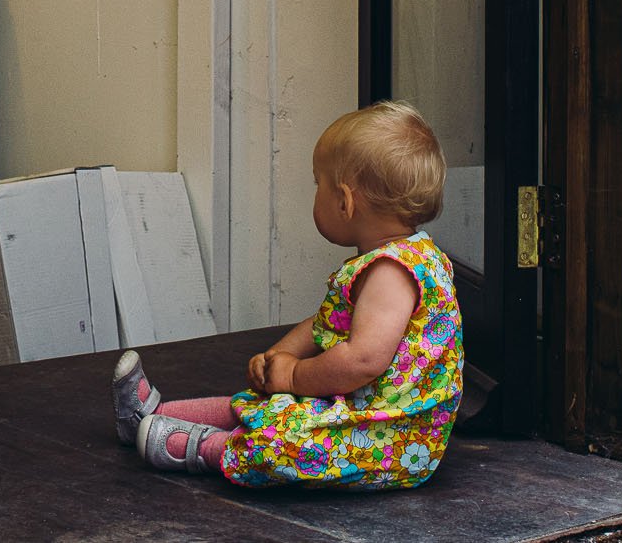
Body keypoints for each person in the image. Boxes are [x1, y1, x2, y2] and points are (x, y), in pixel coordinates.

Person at [113, 101, 464, 488]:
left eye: (319, 184)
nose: (315, 193)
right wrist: (281, 355)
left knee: (283, 442)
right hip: (359, 408)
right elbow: (325, 323)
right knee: (264, 404)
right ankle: (152, 415)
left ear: (345, 202)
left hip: (386, 439)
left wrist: (295, 375)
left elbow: (363, 359)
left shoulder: (391, 272)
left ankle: (206, 448)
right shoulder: (401, 257)